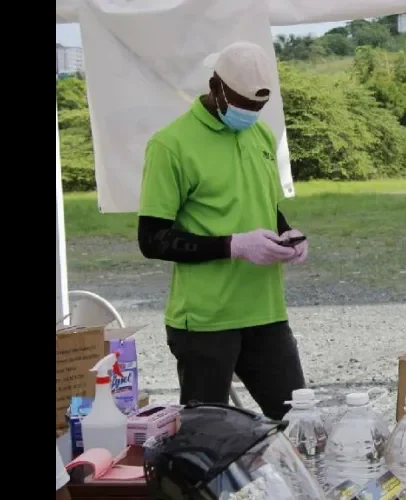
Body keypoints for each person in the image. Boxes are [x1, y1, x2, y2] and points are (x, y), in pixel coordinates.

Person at [137, 41, 307, 420]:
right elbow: (152, 239)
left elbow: (266, 205)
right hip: (205, 321)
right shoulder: (171, 145)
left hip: (266, 312)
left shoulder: (260, 136)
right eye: (243, 104)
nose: (250, 113)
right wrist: (233, 246)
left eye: (258, 106)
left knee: (299, 424)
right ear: (215, 86)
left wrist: (289, 233)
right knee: (208, 440)